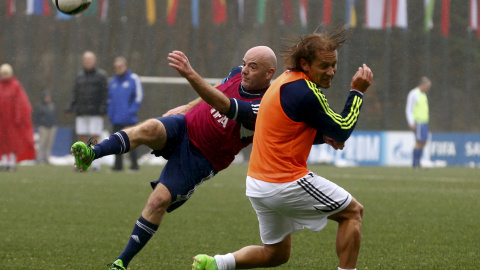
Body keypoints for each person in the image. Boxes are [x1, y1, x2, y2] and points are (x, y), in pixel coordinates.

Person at [70, 46, 277, 269]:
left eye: (253, 67)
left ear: (269, 74)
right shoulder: (237, 72)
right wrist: (188, 107)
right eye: (244, 63)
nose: (244, 70)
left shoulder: (264, 105)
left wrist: (190, 73)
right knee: (148, 128)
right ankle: (92, 154)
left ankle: (121, 262)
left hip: (201, 158)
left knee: (158, 201)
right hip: (186, 126)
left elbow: (223, 104)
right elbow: (219, 89)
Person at [191, 26, 373, 270]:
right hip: (283, 182)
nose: (331, 72)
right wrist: (357, 92)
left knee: (275, 254)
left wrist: (323, 137)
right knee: (352, 213)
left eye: (334, 65)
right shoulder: (305, 90)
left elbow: (289, 129)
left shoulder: (285, 81)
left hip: (257, 184)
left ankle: (215, 264)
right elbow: (342, 129)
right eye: (324, 66)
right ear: (305, 64)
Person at [66, 51, 108, 171]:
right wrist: (70, 107)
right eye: (86, 60)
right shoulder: (79, 76)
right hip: (81, 111)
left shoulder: (101, 76)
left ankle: (95, 163)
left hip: (95, 112)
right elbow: (75, 94)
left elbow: (105, 94)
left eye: (90, 59)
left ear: (94, 61)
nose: (88, 62)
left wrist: (102, 109)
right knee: (81, 137)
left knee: (94, 137)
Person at [107, 56, 143, 172]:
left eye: (120, 66)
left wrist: (131, 111)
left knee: (131, 141)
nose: (118, 68)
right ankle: (118, 166)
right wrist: (111, 114)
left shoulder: (133, 79)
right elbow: (110, 100)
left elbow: (139, 97)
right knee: (117, 142)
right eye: (116, 67)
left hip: (129, 118)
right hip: (116, 118)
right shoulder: (113, 81)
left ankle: (134, 165)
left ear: (125, 66)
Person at [0, 63, 36, 171]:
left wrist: (20, 117)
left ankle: (12, 163)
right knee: (3, 142)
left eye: (7, 73)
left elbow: (21, 102)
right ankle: (5, 162)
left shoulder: (15, 85)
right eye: (3, 73)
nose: (5, 75)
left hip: (12, 120)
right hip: (2, 120)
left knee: (14, 143)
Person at [405, 76, 431, 169]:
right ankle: (415, 163)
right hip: (418, 122)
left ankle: (418, 162)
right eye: (427, 86)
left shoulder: (423, 95)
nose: (428, 88)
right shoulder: (413, 93)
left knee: (423, 141)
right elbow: (409, 109)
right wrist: (411, 122)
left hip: (424, 122)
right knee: (419, 142)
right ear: (422, 84)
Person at [33, 91, 58, 165]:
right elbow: (35, 116)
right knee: (41, 143)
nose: (48, 98)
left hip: (52, 127)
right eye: (46, 97)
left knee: (49, 144)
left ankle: (47, 159)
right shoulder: (39, 106)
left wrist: (54, 123)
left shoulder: (52, 105)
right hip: (43, 127)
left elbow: (54, 115)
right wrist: (39, 124)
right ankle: (38, 159)